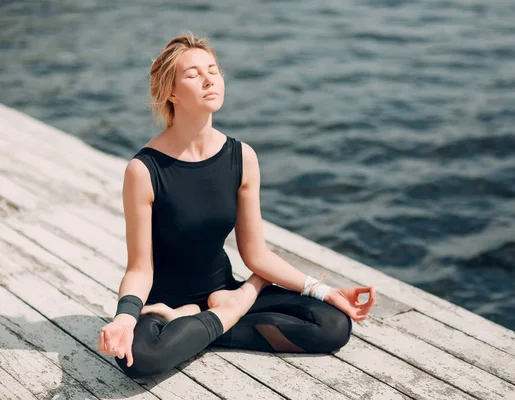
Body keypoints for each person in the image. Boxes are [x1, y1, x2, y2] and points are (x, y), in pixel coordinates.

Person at [97, 31, 377, 379]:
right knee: (135, 360)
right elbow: (139, 269)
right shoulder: (144, 171)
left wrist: (326, 291)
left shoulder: (242, 157)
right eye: (192, 73)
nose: (208, 79)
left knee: (333, 324)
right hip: (164, 304)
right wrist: (125, 316)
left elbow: (255, 255)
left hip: (223, 288)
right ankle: (205, 316)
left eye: (213, 69)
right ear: (171, 93)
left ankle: (193, 328)